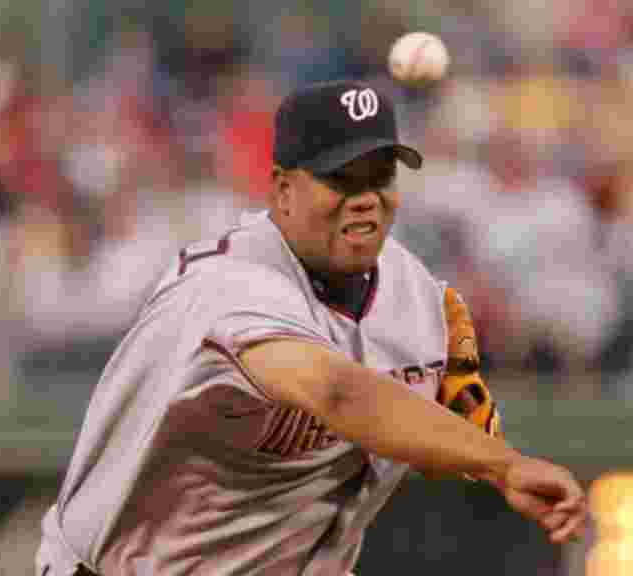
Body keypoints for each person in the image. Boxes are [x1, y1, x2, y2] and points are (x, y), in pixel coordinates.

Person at [35, 80, 587, 576]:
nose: (366, 198)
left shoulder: (417, 296)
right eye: (341, 178)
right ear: (282, 190)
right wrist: (504, 465)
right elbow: (337, 391)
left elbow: (452, 409)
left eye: (380, 175)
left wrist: (498, 457)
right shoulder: (227, 282)